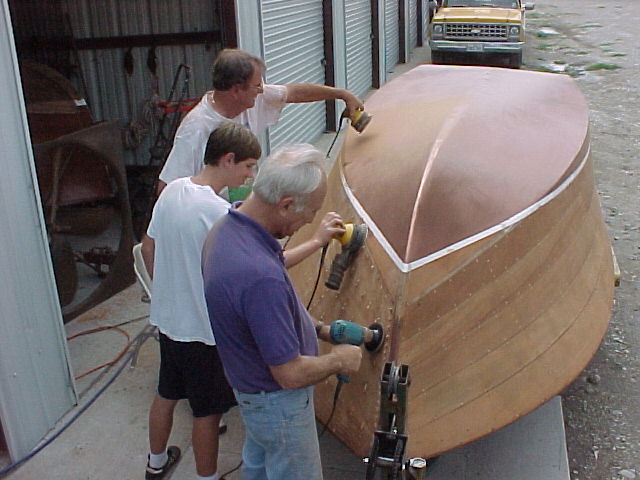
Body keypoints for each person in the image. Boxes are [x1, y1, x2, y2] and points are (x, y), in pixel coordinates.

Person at [202, 143, 363, 480]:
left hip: (251, 395)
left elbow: (264, 296)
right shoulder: (260, 277)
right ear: (286, 204)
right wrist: (339, 360)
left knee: (259, 468)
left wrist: (317, 329)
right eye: (309, 212)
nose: (310, 220)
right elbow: (289, 374)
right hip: (278, 405)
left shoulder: (227, 230)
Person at [141, 122, 260, 480]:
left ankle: (155, 464)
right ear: (228, 159)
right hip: (204, 334)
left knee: (166, 394)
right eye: (248, 166)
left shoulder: (173, 190)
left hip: (169, 322)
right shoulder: (220, 214)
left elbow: (148, 248)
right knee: (207, 414)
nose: (250, 175)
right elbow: (253, 271)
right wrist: (316, 241)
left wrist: (166, 290)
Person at [156, 48, 364, 193]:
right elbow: (167, 189)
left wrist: (342, 95)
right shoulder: (196, 128)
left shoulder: (252, 99)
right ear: (236, 90)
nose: (262, 90)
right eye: (257, 85)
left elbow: (294, 92)